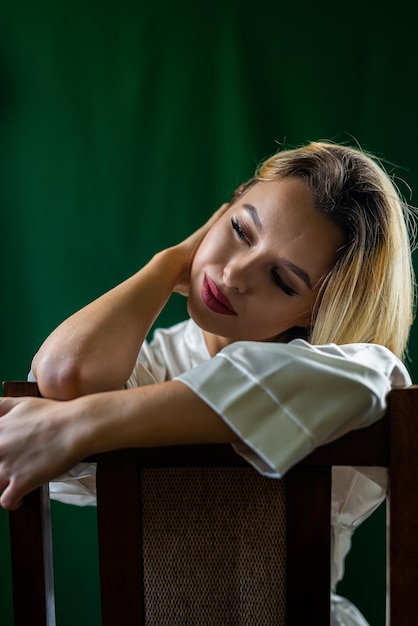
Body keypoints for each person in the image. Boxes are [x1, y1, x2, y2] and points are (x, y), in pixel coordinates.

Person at [0, 141, 415, 625]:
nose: (235, 274)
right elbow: (64, 375)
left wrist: (77, 425)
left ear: (318, 311)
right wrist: (169, 262)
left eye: (283, 280)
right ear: (226, 207)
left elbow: (372, 378)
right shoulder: (153, 362)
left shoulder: (347, 373)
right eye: (240, 229)